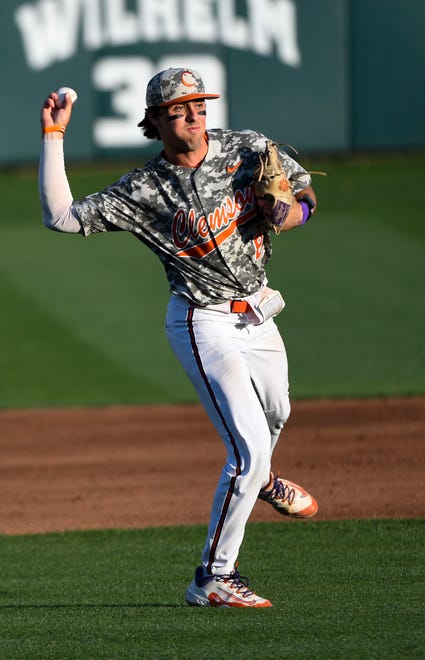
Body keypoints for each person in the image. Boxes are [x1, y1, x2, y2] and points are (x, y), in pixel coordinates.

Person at [39, 67, 319, 609]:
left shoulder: (247, 149)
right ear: (155, 122)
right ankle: (213, 577)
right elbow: (61, 218)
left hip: (258, 314)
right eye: (179, 109)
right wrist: (55, 136)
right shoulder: (144, 188)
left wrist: (294, 212)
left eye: (200, 105)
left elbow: (303, 192)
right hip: (201, 321)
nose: (194, 115)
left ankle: (260, 476)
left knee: (278, 412)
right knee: (247, 449)